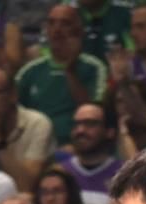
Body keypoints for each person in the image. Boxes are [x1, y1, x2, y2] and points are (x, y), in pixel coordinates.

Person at [17, 6, 109, 145]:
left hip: (79, 146)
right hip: (35, 146)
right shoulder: (30, 71)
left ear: (79, 30)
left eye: (65, 23)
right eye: (51, 23)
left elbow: (91, 115)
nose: (57, 29)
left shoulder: (94, 67)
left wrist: (70, 70)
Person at [53, 101, 128, 204]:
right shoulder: (60, 173)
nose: (80, 130)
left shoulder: (125, 176)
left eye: (90, 124)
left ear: (109, 131)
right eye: (76, 124)